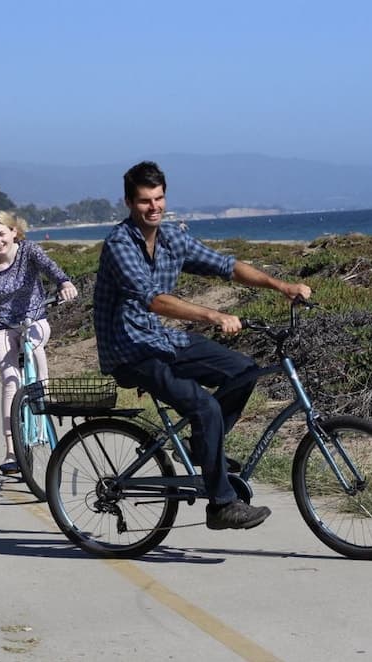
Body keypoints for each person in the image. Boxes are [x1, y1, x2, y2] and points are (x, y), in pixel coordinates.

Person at [93, 161, 311, 530]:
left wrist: (281, 286)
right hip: (128, 349)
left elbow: (227, 266)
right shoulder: (120, 244)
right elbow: (153, 299)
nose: (154, 207)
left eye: (159, 198)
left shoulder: (171, 238)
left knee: (243, 371)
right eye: (145, 200)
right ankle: (221, 505)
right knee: (205, 407)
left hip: (159, 339)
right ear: (129, 203)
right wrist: (212, 315)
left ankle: (201, 446)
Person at [0, 210, 79, 475]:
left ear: (14, 232)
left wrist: (64, 283)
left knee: (35, 350)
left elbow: (51, 269)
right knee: (11, 380)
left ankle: (43, 404)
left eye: (2, 234)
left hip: (32, 319)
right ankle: (12, 450)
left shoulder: (29, 251)